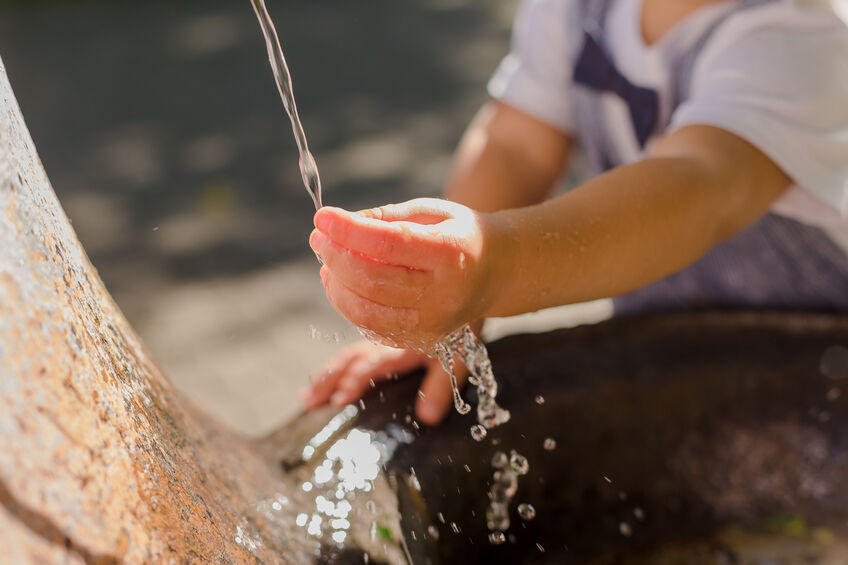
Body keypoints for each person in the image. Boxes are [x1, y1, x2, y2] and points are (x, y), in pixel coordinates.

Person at [301, 0, 848, 425]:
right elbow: (519, 142)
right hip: (665, 357)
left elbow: (697, 191)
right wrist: (452, 306)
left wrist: (495, 266)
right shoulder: (578, 9)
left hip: (821, 376)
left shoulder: (797, 37)